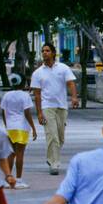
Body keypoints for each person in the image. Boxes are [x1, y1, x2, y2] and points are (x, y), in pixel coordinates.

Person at [30, 42, 78, 175]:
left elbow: (71, 84)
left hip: (62, 106)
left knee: (61, 138)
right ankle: (54, 163)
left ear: (53, 53)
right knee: (52, 136)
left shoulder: (63, 68)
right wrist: (39, 113)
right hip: (47, 107)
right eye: (43, 51)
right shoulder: (37, 73)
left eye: (47, 51)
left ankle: (51, 157)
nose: (45, 53)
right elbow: (37, 94)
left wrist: (74, 98)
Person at [1, 73, 37, 189]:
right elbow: (27, 113)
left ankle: (8, 179)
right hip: (21, 127)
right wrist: (33, 128)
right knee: (20, 154)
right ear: (22, 83)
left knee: (11, 154)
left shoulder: (6, 95)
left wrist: (7, 125)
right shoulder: (25, 96)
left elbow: (3, 112)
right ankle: (19, 180)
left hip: (10, 127)